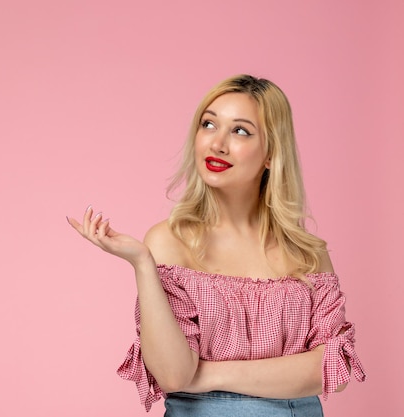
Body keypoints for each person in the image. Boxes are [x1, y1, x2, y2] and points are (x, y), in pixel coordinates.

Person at [66, 74, 365, 416]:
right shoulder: (169, 242)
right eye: (209, 124)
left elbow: (332, 369)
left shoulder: (306, 252)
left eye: (240, 131)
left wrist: (209, 374)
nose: (217, 143)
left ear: (271, 153)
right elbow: (175, 374)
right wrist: (143, 264)